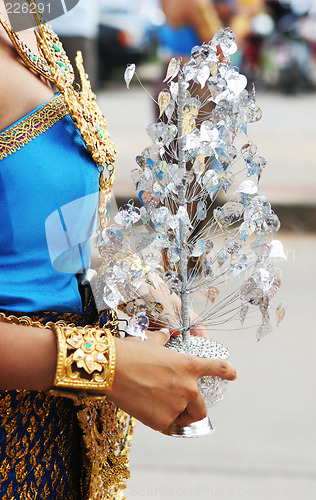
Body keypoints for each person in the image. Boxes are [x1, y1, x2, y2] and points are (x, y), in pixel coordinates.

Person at [0, 1, 237, 499]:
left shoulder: (21, 17)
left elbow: (37, 221)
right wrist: (106, 366)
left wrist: (127, 284)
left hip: (58, 457)